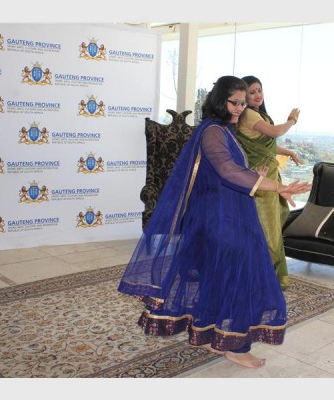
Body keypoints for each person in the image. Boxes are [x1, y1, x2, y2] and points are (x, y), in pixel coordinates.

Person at [117, 75, 311, 369]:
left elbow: (227, 170)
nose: (239, 109)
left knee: (217, 276)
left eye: (243, 104)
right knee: (238, 274)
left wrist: (255, 175)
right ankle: (234, 345)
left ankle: (208, 334)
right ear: (220, 101)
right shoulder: (213, 131)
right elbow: (226, 170)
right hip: (220, 217)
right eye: (235, 103)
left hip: (226, 211)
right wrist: (277, 186)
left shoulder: (222, 129)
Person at [235, 75, 302, 291]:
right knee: (267, 232)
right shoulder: (248, 114)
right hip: (260, 180)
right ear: (243, 96)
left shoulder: (258, 114)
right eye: (251, 92)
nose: (257, 95)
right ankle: (262, 279)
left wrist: (289, 152)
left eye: (259, 90)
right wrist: (292, 120)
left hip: (270, 178)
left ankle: (263, 277)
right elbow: (275, 132)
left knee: (272, 228)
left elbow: (268, 145)